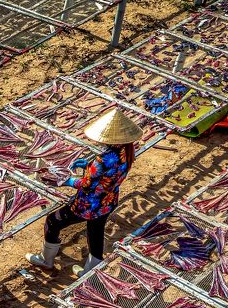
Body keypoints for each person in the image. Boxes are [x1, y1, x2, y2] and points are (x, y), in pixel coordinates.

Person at [26, 108, 143, 274]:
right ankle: (90, 270)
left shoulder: (103, 159)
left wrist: (68, 181)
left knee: (53, 221)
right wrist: (88, 166)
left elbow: (87, 184)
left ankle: (46, 260)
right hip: (107, 202)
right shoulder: (127, 153)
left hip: (88, 205)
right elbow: (107, 176)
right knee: (95, 231)